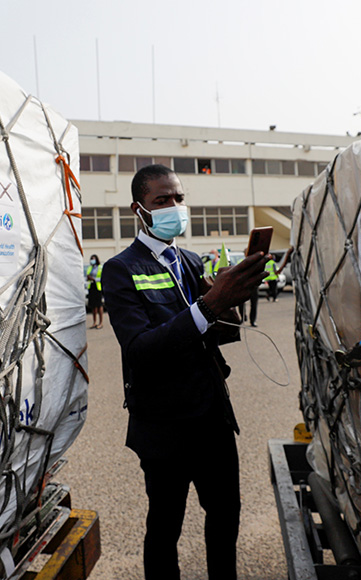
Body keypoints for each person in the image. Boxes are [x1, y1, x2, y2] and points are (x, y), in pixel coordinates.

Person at [102, 164, 268, 579]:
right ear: (138, 210)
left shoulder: (192, 262)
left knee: (226, 517)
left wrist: (234, 299)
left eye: (178, 198)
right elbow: (140, 349)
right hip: (163, 427)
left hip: (212, 417)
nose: (174, 207)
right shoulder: (121, 269)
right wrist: (210, 304)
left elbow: (219, 334)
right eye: (162, 201)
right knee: (164, 527)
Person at [86, 254, 104, 329]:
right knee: (93, 306)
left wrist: (94, 279)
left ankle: (101, 323)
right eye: (91, 259)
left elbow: (102, 278)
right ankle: (94, 322)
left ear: (96, 259)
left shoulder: (100, 267)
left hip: (98, 288)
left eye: (93, 259)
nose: (92, 260)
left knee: (99, 305)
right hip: (92, 287)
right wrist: (89, 278)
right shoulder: (90, 267)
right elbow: (87, 276)